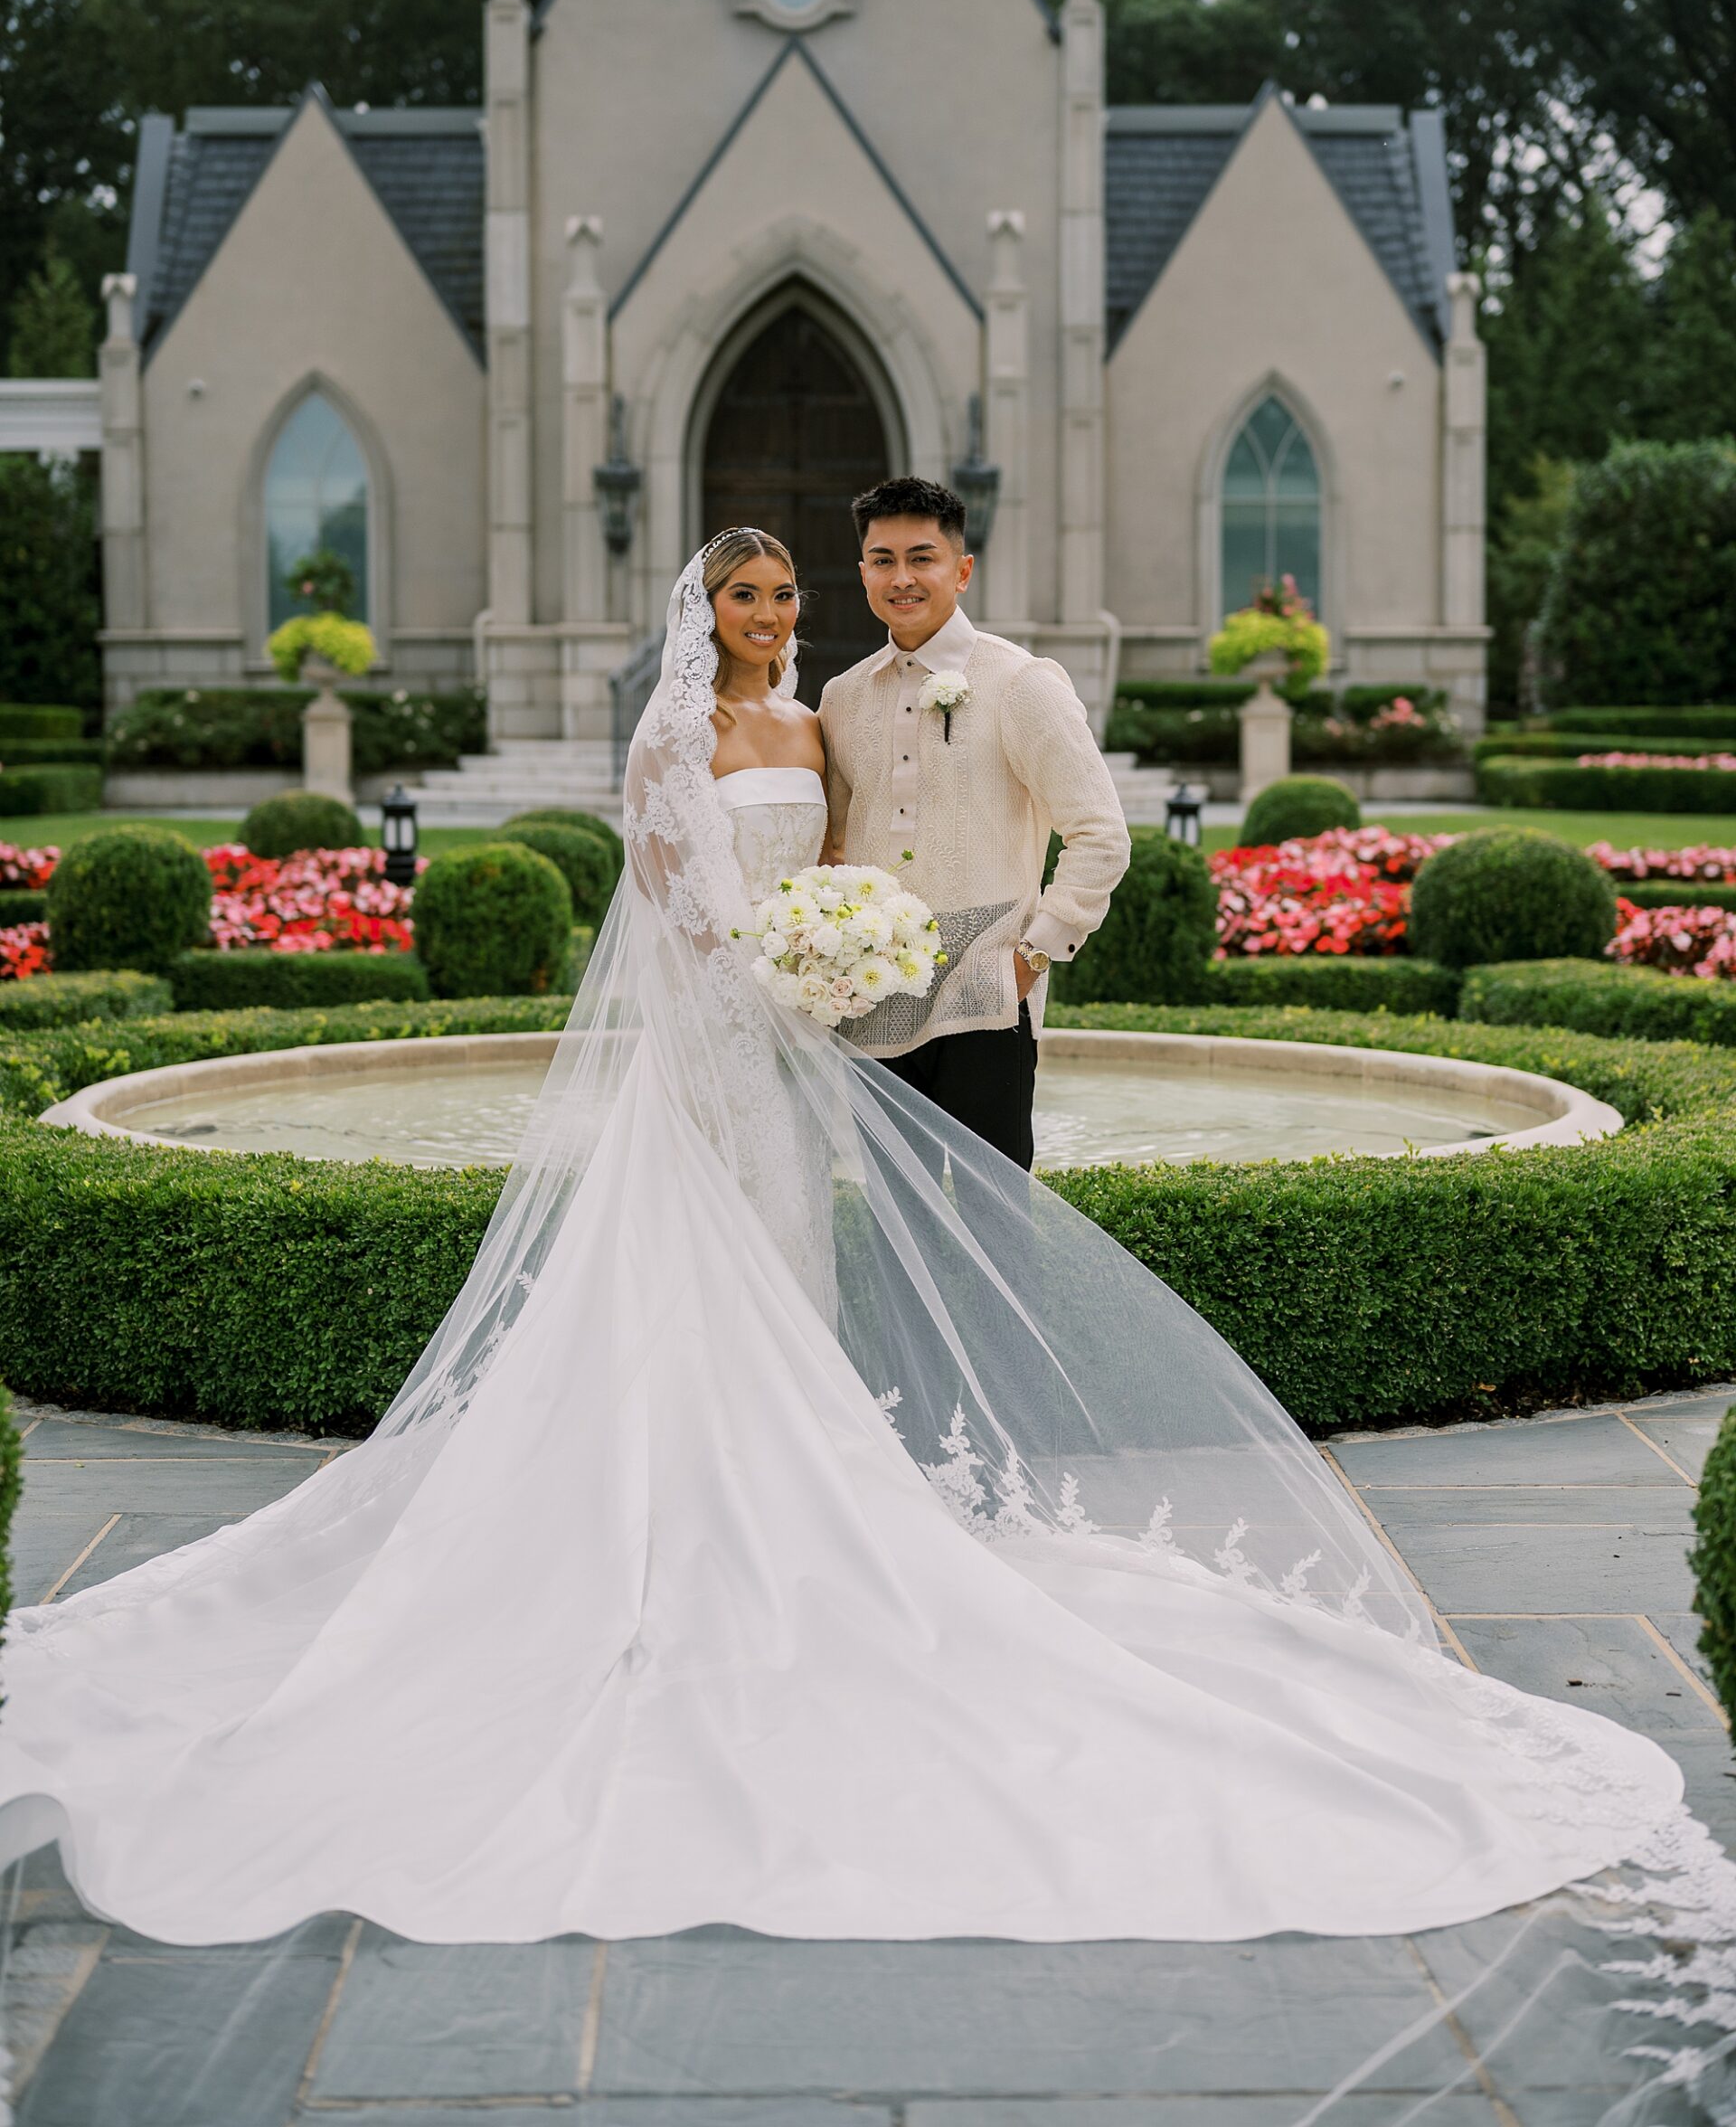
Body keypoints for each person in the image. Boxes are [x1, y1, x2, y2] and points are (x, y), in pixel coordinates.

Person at [0, 528, 1726, 2122]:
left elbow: (856, 869)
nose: (773, 622)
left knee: (790, 1287)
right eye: (747, 601)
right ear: (702, 615)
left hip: (804, 1042)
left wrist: (845, 961)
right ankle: (658, 1527)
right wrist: (768, 971)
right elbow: (666, 907)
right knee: (692, 1280)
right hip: (711, 1050)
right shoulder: (671, 742)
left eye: (784, 601)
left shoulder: (822, 733)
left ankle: (789, 1500)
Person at [819, 477, 1129, 1170]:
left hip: (987, 1000)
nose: (902, 577)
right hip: (875, 1004)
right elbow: (834, 844)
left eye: (921, 558)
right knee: (895, 1227)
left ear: (961, 571)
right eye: (883, 559)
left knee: (997, 1228)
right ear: (862, 571)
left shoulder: (1021, 683)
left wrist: (1032, 958)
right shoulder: (841, 697)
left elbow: (1101, 835)